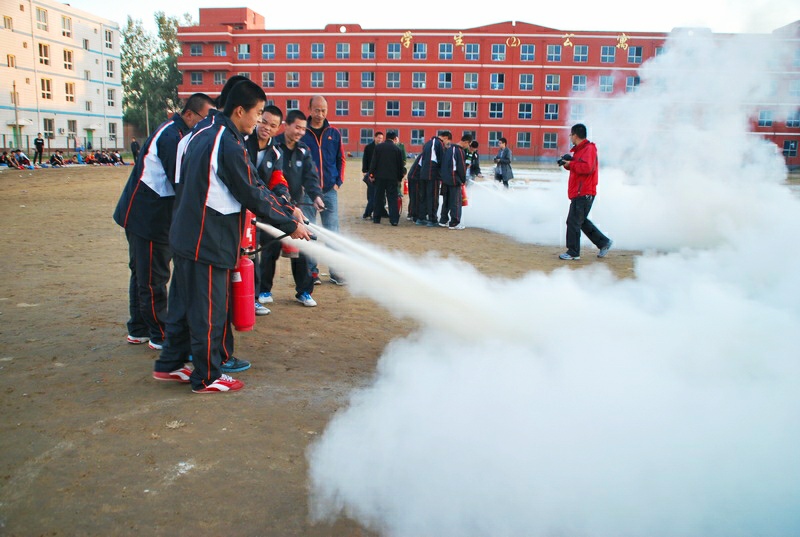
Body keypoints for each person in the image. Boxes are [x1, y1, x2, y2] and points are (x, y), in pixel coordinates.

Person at [153, 79, 312, 394]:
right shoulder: (228, 140)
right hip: (207, 238)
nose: (258, 121)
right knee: (209, 310)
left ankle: (170, 364)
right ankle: (207, 376)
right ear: (240, 111)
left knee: (184, 304)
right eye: (256, 114)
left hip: (186, 234)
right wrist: (287, 223)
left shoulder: (203, 131)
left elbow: (249, 183)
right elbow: (249, 190)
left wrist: (287, 208)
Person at [113, 93, 216, 351]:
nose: (208, 125)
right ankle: (159, 333)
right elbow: (182, 183)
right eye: (205, 118)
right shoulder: (173, 137)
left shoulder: (181, 133)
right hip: (148, 218)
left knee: (142, 273)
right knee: (152, 277)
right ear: (190, 114)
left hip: (150, 216)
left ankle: (138, 328)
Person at [266, 109, 326, 306]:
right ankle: (263, 291)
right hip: (273, 206)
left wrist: (316, 196)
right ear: (287, 125)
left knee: (301, 250)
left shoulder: (303, 151)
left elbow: (311, 176)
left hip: (294, 208)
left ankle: (304, 292)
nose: (301, 132)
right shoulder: (272, 147)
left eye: (303, 129)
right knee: (270, 250)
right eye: (297, 127)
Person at [301, 95, 346, 285]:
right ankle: (312, 272)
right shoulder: (302, 133)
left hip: (329, 191)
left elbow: (340, 159)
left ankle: (335, 272)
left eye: (324, 110)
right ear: (310, 109)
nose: (320, 114)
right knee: (309, 232)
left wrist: (338, 182)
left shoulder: (334, 133)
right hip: (306, 192)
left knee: (332, 232)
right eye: (317, 110)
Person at [558, 123, 613, 261]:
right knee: (580, 221)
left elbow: (587, 168)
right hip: (580, 191)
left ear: (575, 135)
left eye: (571, 134)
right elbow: (579, 167)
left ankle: (573, 252)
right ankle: (603, 242)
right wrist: (568, 163)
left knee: (573, 222)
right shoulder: (580, 150)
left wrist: (572, 164)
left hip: (584, 192)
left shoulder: (589, 149)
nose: (570, 137)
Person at [368, 130, 405, 226]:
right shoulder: (397, 150)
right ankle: (394, 220)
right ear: (394, 138)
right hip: (392, 178)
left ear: (386, 138)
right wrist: (399, 178)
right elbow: (400, 166)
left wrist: (371, 175)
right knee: (392, 199)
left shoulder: (379, 148)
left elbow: (373, 163)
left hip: (379, 178)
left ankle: (376, 218)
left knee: (378, 198)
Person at [416, 131, 451, 227]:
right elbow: (442, 160)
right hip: (433, 174)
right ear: (445, 137)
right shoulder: (439, 143)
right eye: (447, 141)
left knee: (423, 196)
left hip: (423, 173)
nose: (446, 143)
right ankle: (432, 219)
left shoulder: (428, 143)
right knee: (433, 196)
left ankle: (421, 217)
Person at [439, 134, 470, 229]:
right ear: (466, 142)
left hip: (445, 179)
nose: (468, 146)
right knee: (456, 201)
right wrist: (462, 180)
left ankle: (443, 220)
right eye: (468, 144)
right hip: (454, 180)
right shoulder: (459, 151)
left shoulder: (448, 149)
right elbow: (461, 168)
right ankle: (454, 223)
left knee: (446, 200)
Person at [361, 131, 384, 220]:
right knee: (372, 194)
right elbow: (365, 159)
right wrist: (364, 170)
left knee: (374, 194)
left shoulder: (382, 148)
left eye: (381, 138)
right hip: (370, 173)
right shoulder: (369, 147)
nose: (380, 140)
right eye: (379, 138)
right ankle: (367, 213)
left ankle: (373, 212)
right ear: (375, 137)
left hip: (378, 174)